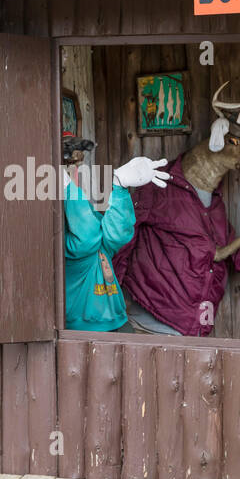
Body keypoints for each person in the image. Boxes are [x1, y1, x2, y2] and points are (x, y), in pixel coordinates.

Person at [61, 132, 167, 331]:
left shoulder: (86, 218)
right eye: (68, 161)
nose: (75, 167)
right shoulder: (67, 244)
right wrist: (67, 187)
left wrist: (120, 187)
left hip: (117, 322)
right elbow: (87, 237)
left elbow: (116, 235)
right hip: (84, 332)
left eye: (77, 161)